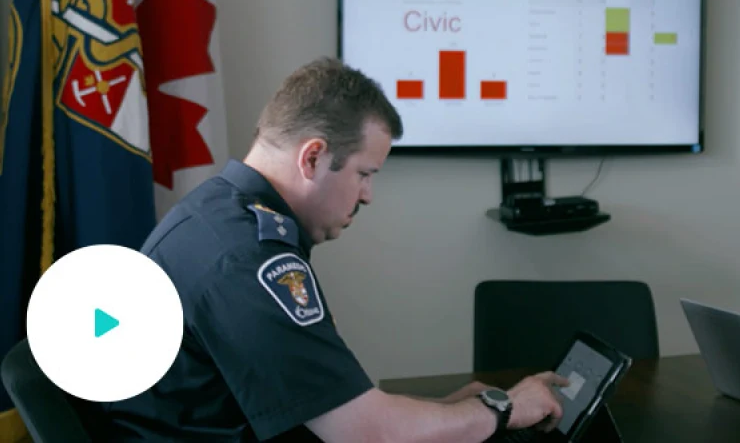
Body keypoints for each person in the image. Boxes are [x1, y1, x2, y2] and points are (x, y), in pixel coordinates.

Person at [98, 57, 568, 442]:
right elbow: (365, 434)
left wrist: (456, 411)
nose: (367, 196)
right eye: (365, 174)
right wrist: (504, 410)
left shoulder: (220, 214)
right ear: (313, 157)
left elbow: (334, 411)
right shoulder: (251, 261)